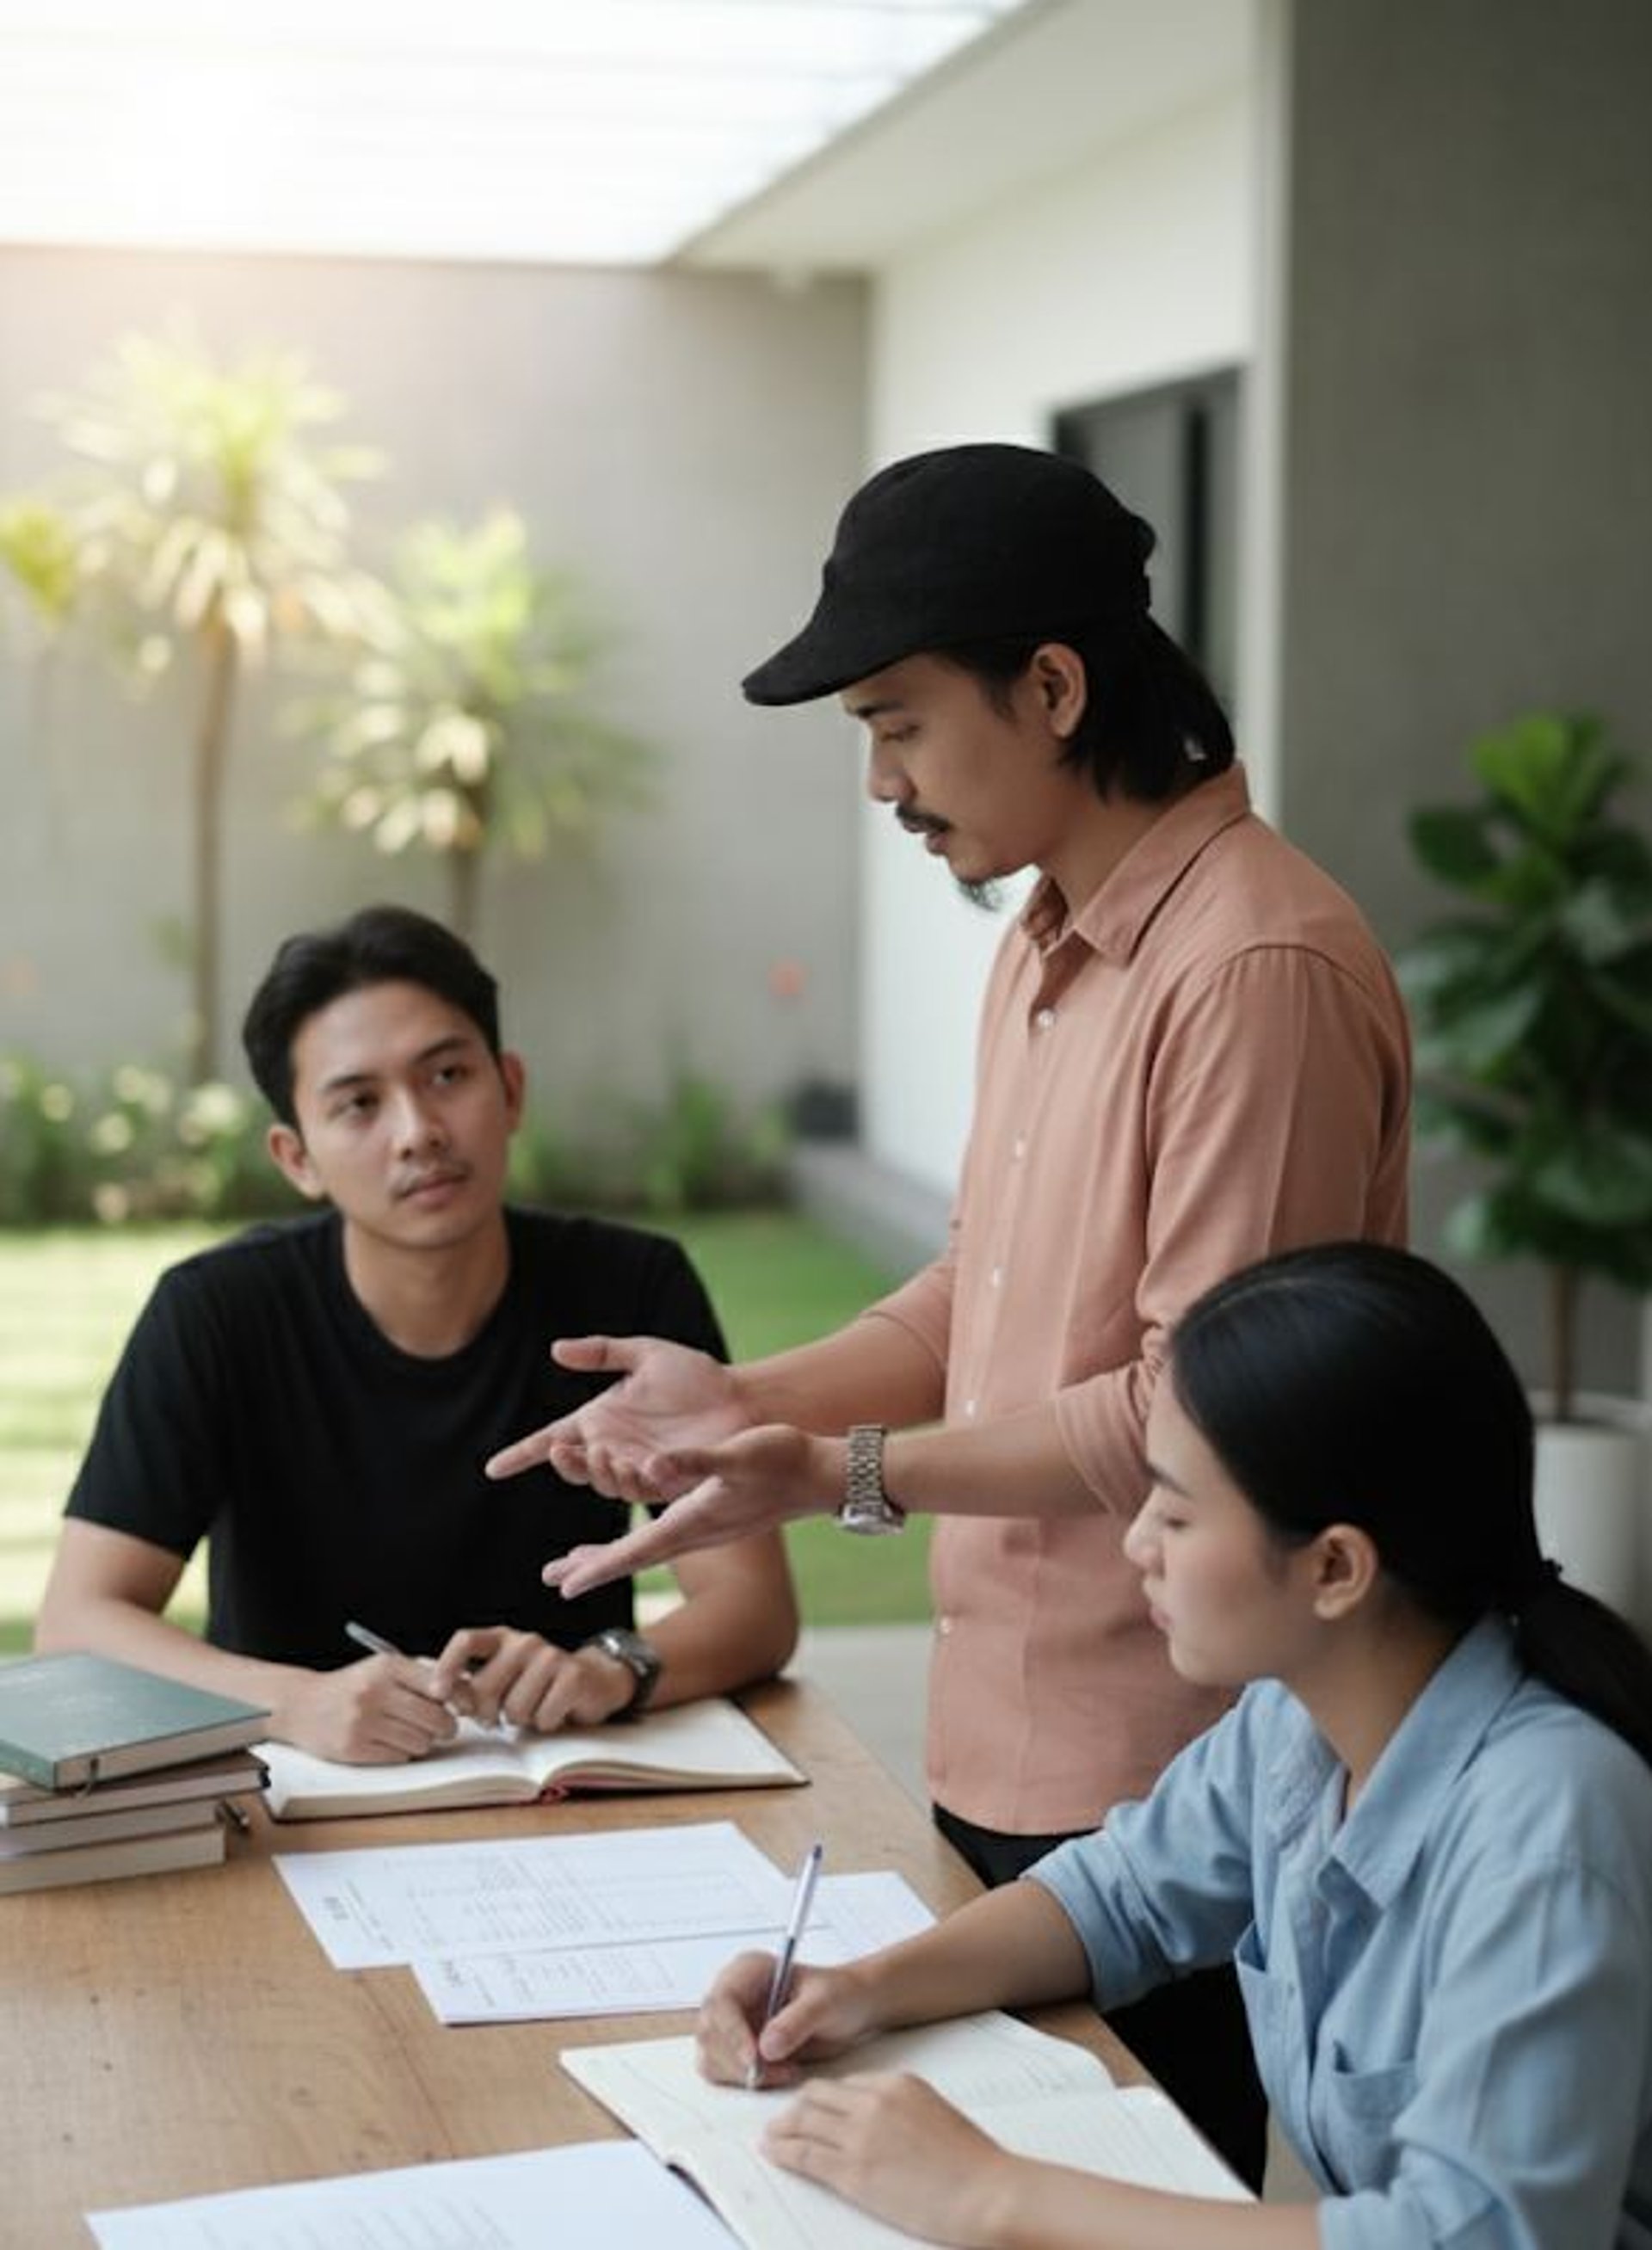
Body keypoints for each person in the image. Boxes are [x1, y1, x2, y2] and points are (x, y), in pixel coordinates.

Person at [490, 442, 1411, 2185]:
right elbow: (974, 1289)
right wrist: (741, 1401)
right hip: (1003, 1731)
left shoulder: (1254, 970)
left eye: (898, 720)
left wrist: (837, 1471)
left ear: (1054, 688)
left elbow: (1191, 1413)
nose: (879, 780)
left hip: (1179, 1774)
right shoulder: (1047, 943)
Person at [697, 1243, 1652, 2250]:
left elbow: (1475, 2237)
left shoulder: (1547, 1822)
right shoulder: (1301, 1716)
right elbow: (1122, 1896)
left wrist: (992, 2195)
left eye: (1178, 1510)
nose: (1135, 1540)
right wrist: (858, 1988)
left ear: (1335, 1566)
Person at [35, 905, 798, 1763]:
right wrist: (292, 1702)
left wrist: (614, 1667)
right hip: (297, 1796)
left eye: (446, 1076)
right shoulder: (216, 1312)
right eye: (359, 1103)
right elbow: (76, 1623)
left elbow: (753, 1602)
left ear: (510, 1088)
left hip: (564, 1789)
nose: (419, 1131)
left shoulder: (630, 1289)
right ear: (297, 1158)